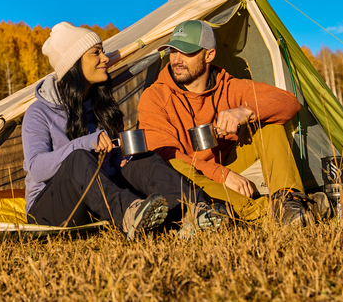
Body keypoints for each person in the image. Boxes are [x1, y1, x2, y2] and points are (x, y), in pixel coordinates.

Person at [23, 22, 221, 240]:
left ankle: (193, 210)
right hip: (50, 212)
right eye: (96, 53)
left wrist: (123, 162)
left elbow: (115, 158)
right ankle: (130, 216)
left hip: (97, 201)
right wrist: (86, 143)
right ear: (74, 63)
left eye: (103, 51)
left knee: (143, 159)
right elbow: (36, 168)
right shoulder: (39, 112)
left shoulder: (104, 107)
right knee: (78, 158)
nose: (105, 58)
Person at [137, 20, 329, 225]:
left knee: (270, 126)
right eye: (173, 51)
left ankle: (288, 199)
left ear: (209, 54)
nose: (177, 60)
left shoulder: (229, 87)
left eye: (187, 52)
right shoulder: (155, 96)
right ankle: (265, 212)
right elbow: (163, 152)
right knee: (170, 164)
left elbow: (289, 102)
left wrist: (245, 112)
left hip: (232, 167)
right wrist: (221, 174)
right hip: (192, 178)